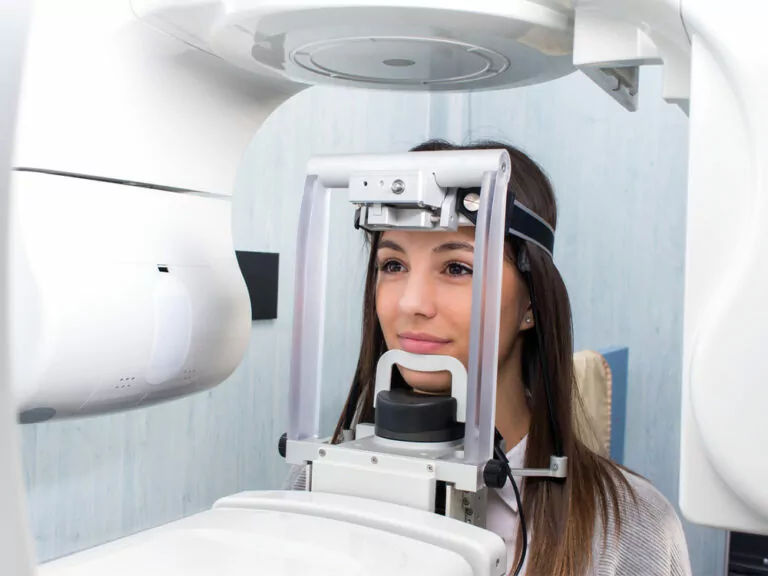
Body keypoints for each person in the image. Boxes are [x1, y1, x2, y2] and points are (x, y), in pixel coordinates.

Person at [289, 139, 692, 575]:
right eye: (393, 265)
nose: (410, 303)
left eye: (458, 269)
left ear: (532, 303)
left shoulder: (632, 529)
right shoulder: (317, 483)